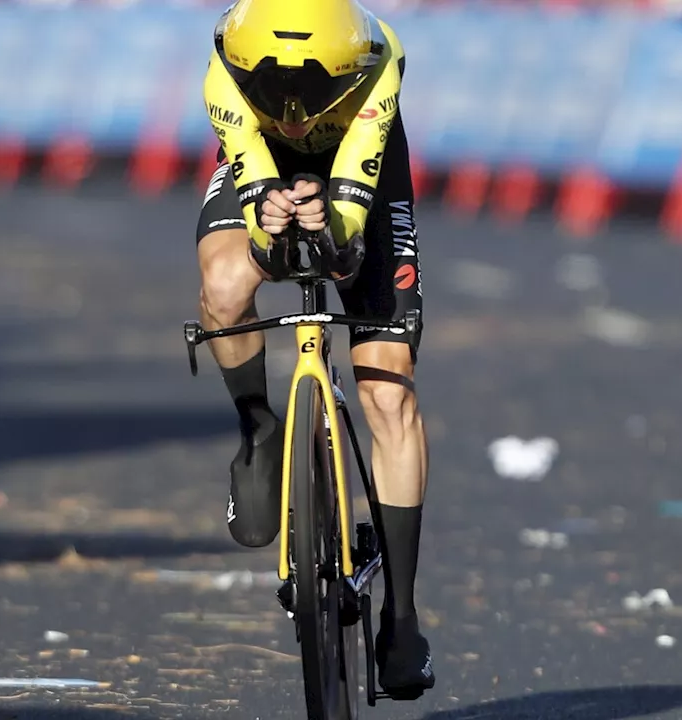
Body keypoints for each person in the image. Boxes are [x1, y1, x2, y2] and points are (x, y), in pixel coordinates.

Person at [195, 0, 433, 699]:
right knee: (224, 282)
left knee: (387, 391)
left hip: (362, 163)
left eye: (310, 97)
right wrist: (268, 225)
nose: (294, 113)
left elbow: (347, 238)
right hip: (261, 166)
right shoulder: (222, 73)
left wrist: (333, 226)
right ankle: (259, 428)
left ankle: (403, 616)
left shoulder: (380, 60)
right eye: (276, 97)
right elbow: (256, 206)